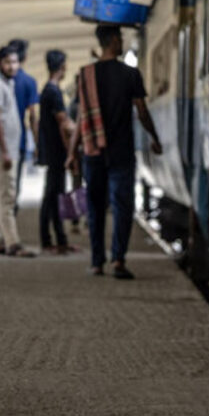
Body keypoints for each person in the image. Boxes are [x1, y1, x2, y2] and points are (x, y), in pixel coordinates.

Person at [67, 25, 162, 280]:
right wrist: (154, 137)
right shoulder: (130, 74)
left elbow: (81, 116)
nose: (121, 42)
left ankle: (97, 262)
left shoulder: (86, 75)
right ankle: (118, 260)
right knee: (122, 207)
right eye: (120, 38)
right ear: (111, 40)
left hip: (93, 151)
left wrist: (71, 152)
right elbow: (141, 111)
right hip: (121, 151)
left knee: (95, 207)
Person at [0, 45, 36, 258]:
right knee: (7, 199)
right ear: (0, 63)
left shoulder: (7, 83)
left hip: (3, 150)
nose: (12, 66)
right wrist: (5, 151)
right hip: (2, 152)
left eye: (15, 62)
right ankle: (13, 243)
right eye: (8, 62)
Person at [37, 50, 76, 254]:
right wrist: (71, 151)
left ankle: (56, 239)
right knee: (54, 195)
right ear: (62, 66)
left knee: (52, 195)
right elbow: (64, 124)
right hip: (57, 151)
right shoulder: (53, 92)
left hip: (51, 150)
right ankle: (53, 241)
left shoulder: (47, 90)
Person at [6, 38, 39, 211]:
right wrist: (37, 144)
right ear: (24, 57)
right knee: (14, 184)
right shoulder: (29, 82)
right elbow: (33, 116)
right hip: (18, 140)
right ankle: (10, 216)